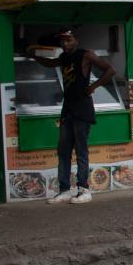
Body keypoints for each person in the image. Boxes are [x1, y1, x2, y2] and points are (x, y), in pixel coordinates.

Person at [34, 28, 116, 204]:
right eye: (62, 40)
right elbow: (51, 63)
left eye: (68, 40)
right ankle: (63, 190)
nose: (65, 43)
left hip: (83, 109)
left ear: (76, 40)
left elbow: (110, 70)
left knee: (81, 151)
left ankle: (84, 189)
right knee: (63, 151)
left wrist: (93, 87)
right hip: (68, 108)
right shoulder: (64, 58)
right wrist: (35, 56)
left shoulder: (85, 55)